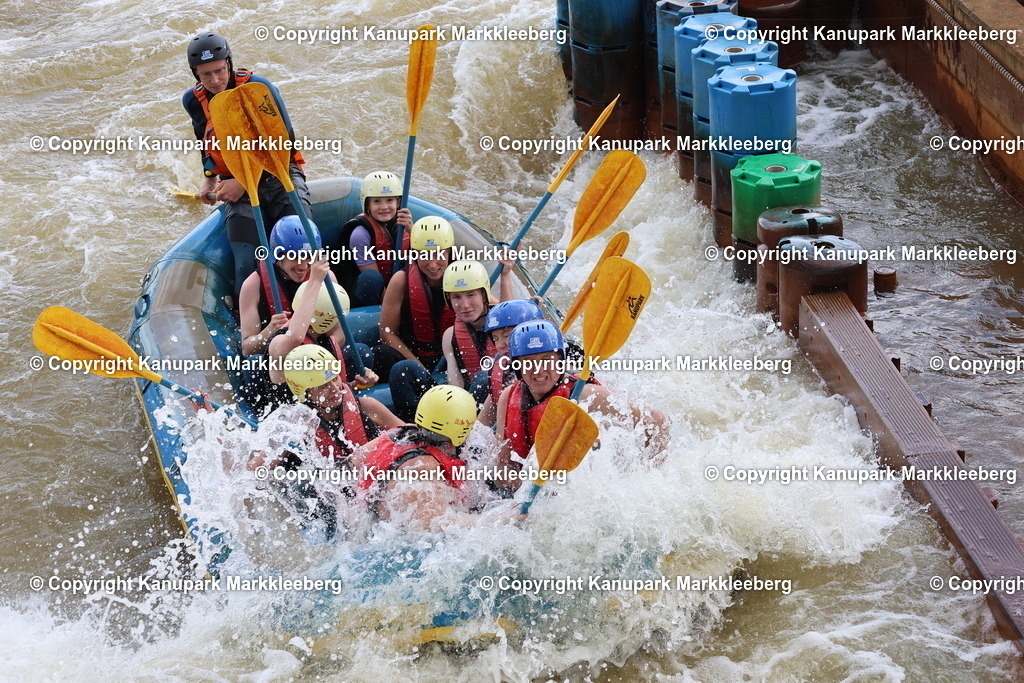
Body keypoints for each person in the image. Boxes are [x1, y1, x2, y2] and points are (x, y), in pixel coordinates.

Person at [182, 32, 311, 299]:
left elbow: (284, 144)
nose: (215, 80)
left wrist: (242, 182)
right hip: (233, 178)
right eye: (206, 75)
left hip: (279, 173)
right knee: (246, 262)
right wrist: (209, 176)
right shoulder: (193, 100)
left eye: (219, 71)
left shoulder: (258, 87)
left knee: (301, 247)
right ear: (196, 74)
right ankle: (257, 327)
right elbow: (204, 141)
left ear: (229, 63)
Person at [493, 321, 668, 494]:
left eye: (546, 360)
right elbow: (501, 471)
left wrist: (643, 478)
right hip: (540, 496)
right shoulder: (508, 397)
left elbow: (656, 420)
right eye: (528, 362)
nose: (538, 370)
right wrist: (532, 488)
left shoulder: (587, 395)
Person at [349, 385, 508, 531]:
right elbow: (434, 525)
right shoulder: (424, 468)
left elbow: (353, 462)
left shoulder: (401, 432)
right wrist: (502, 517)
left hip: (367, 521)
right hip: (386, 535)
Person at [267, 256, 396, 431]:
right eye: (335, 318)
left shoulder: (325, 341)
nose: (338, 323)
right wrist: (315, 279)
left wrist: (357, 385)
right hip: (299, 429)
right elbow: (296, 337)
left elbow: (328, 393)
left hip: (331, 420)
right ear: (324, 318)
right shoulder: (280, 344)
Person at [331, 172, 413, 307]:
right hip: (365, 293)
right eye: (376, 201)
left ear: (398, 202)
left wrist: (412, 231)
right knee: (371, 278)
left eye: (389, 200)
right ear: (366, 204)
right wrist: (394, 308)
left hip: (394, 285)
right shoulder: (360, 234)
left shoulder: (405, 224)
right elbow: (375, 279)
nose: (384, 207)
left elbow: (424, 256)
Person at [475, 299, 545, 427]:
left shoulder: (554, 369)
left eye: (507, 336)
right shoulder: (505, 369)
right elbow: (482, 424)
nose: (500, 346)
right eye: (495, 339)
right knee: (480, 379)